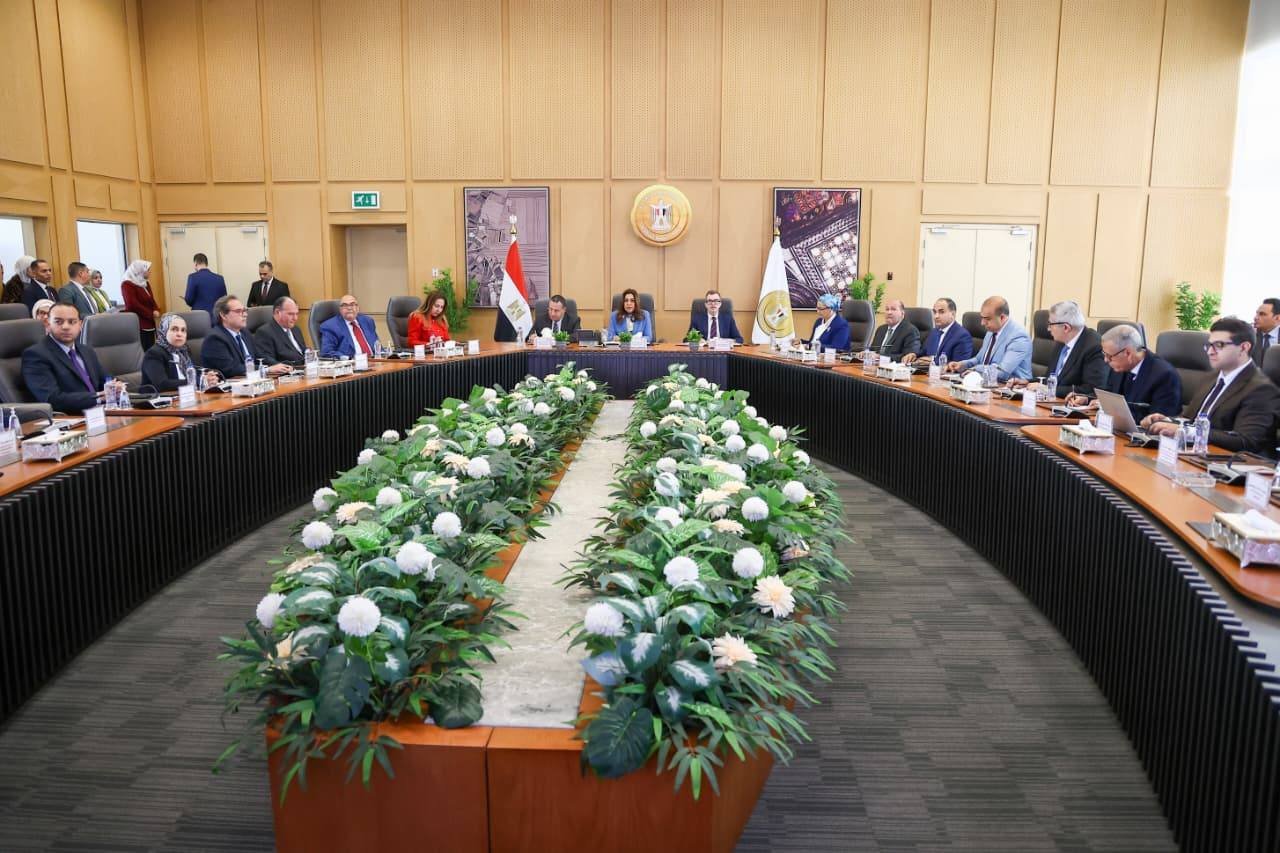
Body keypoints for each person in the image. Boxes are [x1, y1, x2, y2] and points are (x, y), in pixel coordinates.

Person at [1140, 317, 1280, 454]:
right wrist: (1169, 421)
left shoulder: (1261, 389)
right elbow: (1190, 419)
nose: (1210, 352)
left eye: (1219, 345)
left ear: (1244, 347)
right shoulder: (1211, 378)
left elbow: (1246, 441)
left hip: (1231, 463)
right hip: (1194, 454)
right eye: (1209, 345)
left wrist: (1185, 431)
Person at [1064, 324, 1182, 420]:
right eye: (1104, 354)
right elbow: (1110, 393)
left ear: (1128, 353)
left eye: (1109, 356)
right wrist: (1087, 399)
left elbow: (1159, 422)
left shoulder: (1164, 376)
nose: (1106, 360)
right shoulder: (1120, 365)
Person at [21, 302, 120, 413]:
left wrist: (118, 386)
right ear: (48, 323)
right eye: (58, 322)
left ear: (80, 325)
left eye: (72, 322)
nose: (66, 327)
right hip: (72, 417)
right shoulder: (35, 355)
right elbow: (52, 398)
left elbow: (106, 379)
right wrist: (98, 398)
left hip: (103, 412)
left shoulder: (86, 350)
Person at [1027, 300, 1106, 396]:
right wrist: (1027, 382)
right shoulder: (1061, 341)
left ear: (1066, 328)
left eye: (1050, 324)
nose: (1048, 329)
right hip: (1051, 400)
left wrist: (1047, 390)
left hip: (1070, 403)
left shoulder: (1094, 347)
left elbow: (1091, 390)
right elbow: (1051, 378)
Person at [203, 295, 290, 379]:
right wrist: (267, 369)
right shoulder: (215, 339)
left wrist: (278, 365)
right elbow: (231, 369)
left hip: (253, 381)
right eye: (238, 311)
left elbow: (260, 356)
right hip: (232, 385)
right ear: (223, 315)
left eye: (245, 310)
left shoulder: (244, 332)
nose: (245, 315)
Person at [947, 296, 1032, 381]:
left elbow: (1002, 372)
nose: (982, 323)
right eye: (982, 318)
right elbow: (979, 359)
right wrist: (963, 364)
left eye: (987, 319)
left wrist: (975, 370)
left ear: (1002, 317)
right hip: (987, 382)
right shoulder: (991, 331)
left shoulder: (1019, 337)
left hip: (1010, 386)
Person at [143, 313, 218, 392]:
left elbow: (194, 373)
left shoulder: (184, 351)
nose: (179, 334)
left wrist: (207, 378)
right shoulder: (154, 354)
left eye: (183, 330)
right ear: (164, 331)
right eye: (174, 329)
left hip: (187, 395)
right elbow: (162, 384)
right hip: (163, 397)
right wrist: (197, 381)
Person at [904, 298, 973, 365]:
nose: (936, 316)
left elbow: (959, 364)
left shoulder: (962, 335)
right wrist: (914, 355)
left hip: (944, 372)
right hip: (926, 371)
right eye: (934, 312)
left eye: (941, 312)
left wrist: (934, 362)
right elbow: (924, 351)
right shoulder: (934, 331)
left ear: (953, 314)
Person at [319, 294, 380, 358]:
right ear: (340, 309)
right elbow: (327, 352)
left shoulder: (367, 321)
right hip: (352, 362)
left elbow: (377, 346)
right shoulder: (330, 326)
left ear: (357, 308)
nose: (349, 308)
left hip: (374, 361)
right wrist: (347, 359)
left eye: (352, 304)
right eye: (345, 305)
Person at [254, 296, 308, 366]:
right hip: (289, 370)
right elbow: (267, 361)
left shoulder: (296, 329)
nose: (295, 318)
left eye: (297, 314)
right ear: (277, 312)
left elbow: (303, 352)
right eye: (291, 314)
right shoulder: (264, 332)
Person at [121, 260, 161, 349]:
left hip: (149, 323)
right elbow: (132, 304)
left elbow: (151, 299)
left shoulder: (145, 283)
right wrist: (150, 313)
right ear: (140, 270)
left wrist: (156, 309)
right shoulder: (127, 284)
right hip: (138, 324)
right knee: (142, 351)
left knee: (150, 350)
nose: (150, 272)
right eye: (148, 270)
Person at [184, 252, 227, 320]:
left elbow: (189, 300)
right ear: (207, 264)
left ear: (195, 263)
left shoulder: (193, 277)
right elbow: (224, 300)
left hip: (199, 317)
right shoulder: (220, 278)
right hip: (217, 317)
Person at [1252, 298, 1280, 366]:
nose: (1255, 318)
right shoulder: (1250, 336)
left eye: (1262, 314)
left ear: (1277, 318)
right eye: (1257, 313)